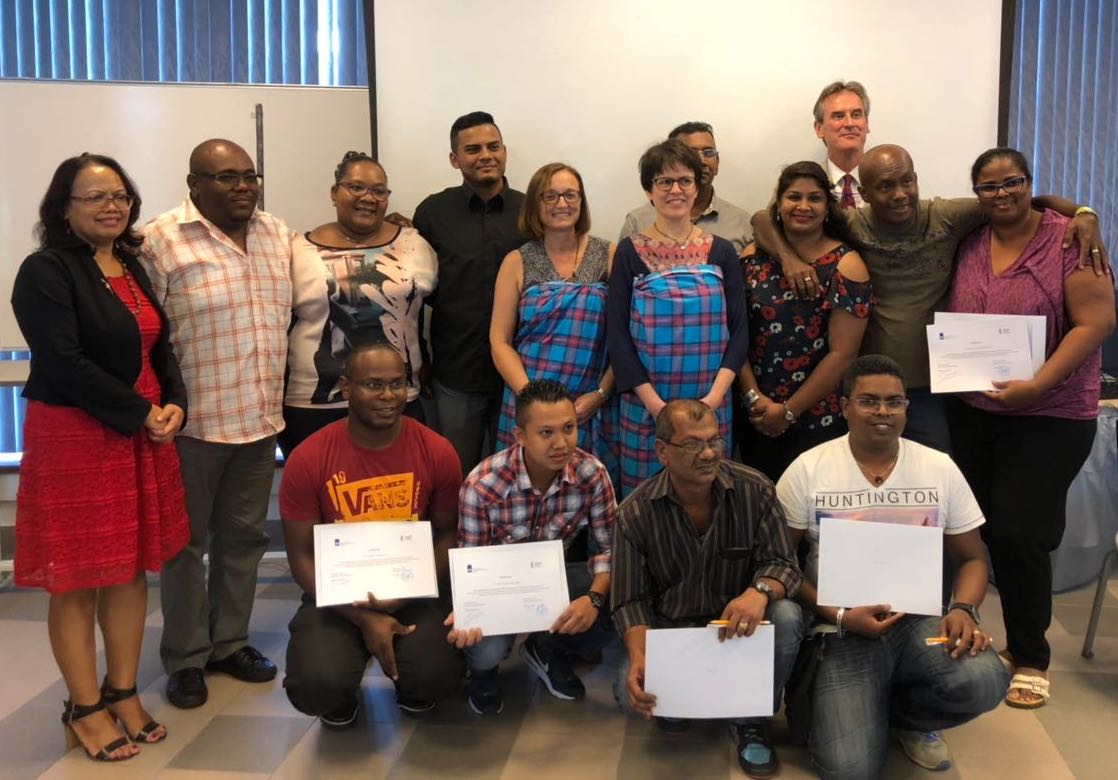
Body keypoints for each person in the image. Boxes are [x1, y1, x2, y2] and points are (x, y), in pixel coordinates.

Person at [752, 143, 1108, 451]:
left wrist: (1083, 212)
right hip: (868, 386)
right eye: (886, 186)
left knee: (936, 490)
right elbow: (761, 219)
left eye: (907, 181)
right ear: (865, 192)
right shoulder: (851, 224)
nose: (900, 194)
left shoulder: (947, 216)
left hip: (933, 390)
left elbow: (1014, 199)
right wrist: (788, 259)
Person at [11, 154, 190, 761]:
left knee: (129, 569)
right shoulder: (45, 270)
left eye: (119, 195)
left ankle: (123, 692)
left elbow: (158, 347)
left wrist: (175, 404)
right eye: (94, 197)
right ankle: (84, 708)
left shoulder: (131, 264)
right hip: (76, 435)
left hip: (141, 429)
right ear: (64, 208)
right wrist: (140, 411)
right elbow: (63, 361)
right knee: (78, 577)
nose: (111, 206)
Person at [776, 355, 1010, 779]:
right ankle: (856, 709)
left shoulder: (938, 467)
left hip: (919, 623)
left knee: (986, 680)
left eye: (894, 402)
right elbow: (780, 563)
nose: (882, 412)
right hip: (841, 628)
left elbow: (972, 558)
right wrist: (837, 614)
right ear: (844, 407)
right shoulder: (807, 469)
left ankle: (904, 718)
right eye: (868, 401)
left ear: (906, 407)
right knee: (848, 769)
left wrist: (964, 609)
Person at [944, 148, 1116, 709]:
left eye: (1012, 183)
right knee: (985, 530)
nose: (1001, 194)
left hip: (1050, 413)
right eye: (989, 187)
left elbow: (1097, 322)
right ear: (977, 193)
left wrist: (1038, 384)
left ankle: (1030, 656)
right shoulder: (970, 239)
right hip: (974, 410)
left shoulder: (1070, 240)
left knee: (1021, 533)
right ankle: (975, 633)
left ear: (1028, 182)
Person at [142, 138, 294, 709]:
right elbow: (144, 336)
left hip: (259, 420)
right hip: (191, 427)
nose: (243, 187)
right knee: (183, 548)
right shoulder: (159, 241)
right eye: (227, 177)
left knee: (243, 541)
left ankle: (229, 643)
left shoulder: (276, 234)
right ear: (194, 185)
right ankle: (186, 657)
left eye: (250, 176)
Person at [612, 400, 803, 779]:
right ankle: (689, 699)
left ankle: (749, 718)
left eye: (714, 440)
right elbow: (629, 600)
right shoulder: (634, 513)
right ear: (662, 451)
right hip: (674, 632)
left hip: (739, 632)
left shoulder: (755, 490)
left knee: (787, 615)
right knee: (625, 687)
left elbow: (785, 565)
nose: (709, 453)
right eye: (693, 444)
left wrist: (759, 592)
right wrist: (639, 654)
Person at [279, 343, 465, 727]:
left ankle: (412, 687)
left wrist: (406, 595)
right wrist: (362, 617)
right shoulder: (309, 458)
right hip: (337, 594)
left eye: (397, 383)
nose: (388, 395)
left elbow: (448, 535)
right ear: (346, 388)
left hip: (411, 590)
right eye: (374, 385)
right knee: (316, 684)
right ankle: (339, 692)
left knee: (438, 675)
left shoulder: (437, 451)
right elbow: (301, 557)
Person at [447, 380, 616, 715]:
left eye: (569, 428)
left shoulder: (592, 474)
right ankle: (483, 673)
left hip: (553, 581)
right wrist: (468, 608)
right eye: (546, 433)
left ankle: (546, 647)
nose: (561, 443)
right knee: (484, 648)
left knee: (620, 598)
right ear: (520, 436)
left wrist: (594, 599)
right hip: (498, 588)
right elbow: (471, 563)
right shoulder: (483, 484)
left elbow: (608, 550)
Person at [607, 139, 750, 496]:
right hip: (647, 407)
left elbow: (740, 331)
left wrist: (712, 400)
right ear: (649, 191)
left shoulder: (721, 252)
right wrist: (657, 407)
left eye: (685, 181)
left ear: (697, 187)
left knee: (708, 495)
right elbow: (617, 335)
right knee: (646, 500)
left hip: (710, 405)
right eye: (664, 182)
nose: (676, 190)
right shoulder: (629, 252)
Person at [283, 151, 437, 456]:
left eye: (379, 191)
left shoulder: (414, 244)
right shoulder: (296, 250)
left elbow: (431, 313)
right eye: (356, 187)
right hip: (315, 404)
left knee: (397, 483)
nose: (368, 197)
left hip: (397, 401)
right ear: (334, 192)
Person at [737, 161, 872, 482]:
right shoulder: (751, 257)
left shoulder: (847, 265)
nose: (803, 206)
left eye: (814, 198)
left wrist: (787, 412)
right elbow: (735, 333)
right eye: (793, 197)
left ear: (827, 207)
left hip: (816, 418)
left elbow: (843, 355)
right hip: (755, 413)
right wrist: (754, 398)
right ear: (779, 204)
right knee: (757, 503)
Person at [490, 161, 619, 485]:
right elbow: (500, 341)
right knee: (523, 492)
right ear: (536, 204)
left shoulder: (609, 255)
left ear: (581, 201)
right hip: (529, 400)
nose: (562, 203)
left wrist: (602, 393)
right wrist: (532, 400)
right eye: (551, 196)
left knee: (590, 495)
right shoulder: (517, 261)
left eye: (570, 195)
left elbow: (626, 337)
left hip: (589, 405)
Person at [414, 111, 526, 475]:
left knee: (517, 473)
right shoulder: (432, 212)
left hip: (521, 371)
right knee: (456, 472)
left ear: (505, 152)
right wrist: (421, 355)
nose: (485, 155)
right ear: (455, 159)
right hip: (457, 370)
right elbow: (415, 292)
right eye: (473, 149)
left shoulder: (531, 211)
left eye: (493, 146)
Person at [619, 121, 751, 253]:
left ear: (717, 162)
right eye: (691, 153)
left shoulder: (742, 222)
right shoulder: (637, 222)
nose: (702, 161)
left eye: (709, 152)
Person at [812, 81, 871, 209]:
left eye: (856, 115)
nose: (849, 123)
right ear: (819, 129)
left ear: (866, 124)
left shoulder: (892, 182)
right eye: (838, 116)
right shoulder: (801, 185)